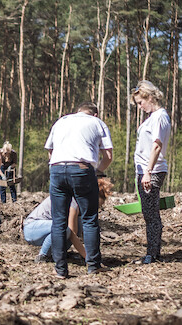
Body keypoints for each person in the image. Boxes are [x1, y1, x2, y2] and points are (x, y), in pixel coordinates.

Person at [44, 102, 113, 278]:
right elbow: (108, 155)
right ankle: (93, 265)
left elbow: (50, 152)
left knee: (58, 221)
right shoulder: (97, 123)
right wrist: (97, 172)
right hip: (82, 169)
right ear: (95, 114)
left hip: (57, 169)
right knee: (90, 218)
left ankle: (60, 269)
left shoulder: (61, 121)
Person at [23, 178, 113, 263]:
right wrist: (88, 258)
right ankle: (43, 255)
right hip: (32, 229)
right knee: (64, 228)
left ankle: (57, 253)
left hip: (47, 228)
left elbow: (79, 233)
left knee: (76, 226)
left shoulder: (79, 206)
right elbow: (72, 234)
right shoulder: (73, 202)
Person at [132, 80, 171, 265]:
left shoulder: (160, 117)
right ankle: (151, 251)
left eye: (141, 102)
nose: (140, 107)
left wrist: (148, 172)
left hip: (152, 171)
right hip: (145, 170)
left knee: (151, 213)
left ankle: (153, 254)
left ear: (149, 97)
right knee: (148, 212)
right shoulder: (152, 117)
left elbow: (157, 146)